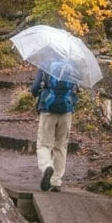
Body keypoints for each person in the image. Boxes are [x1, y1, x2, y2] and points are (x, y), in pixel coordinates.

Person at [29, 61, 78, 192]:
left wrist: (37, 94)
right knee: (61, 146)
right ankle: (56, 181)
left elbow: (34, 88)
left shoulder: (46, 64)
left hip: (48, 110)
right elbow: (76, 90)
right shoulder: (73, 66)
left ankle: (46, 167)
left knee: (44, 144)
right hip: (66, 112)